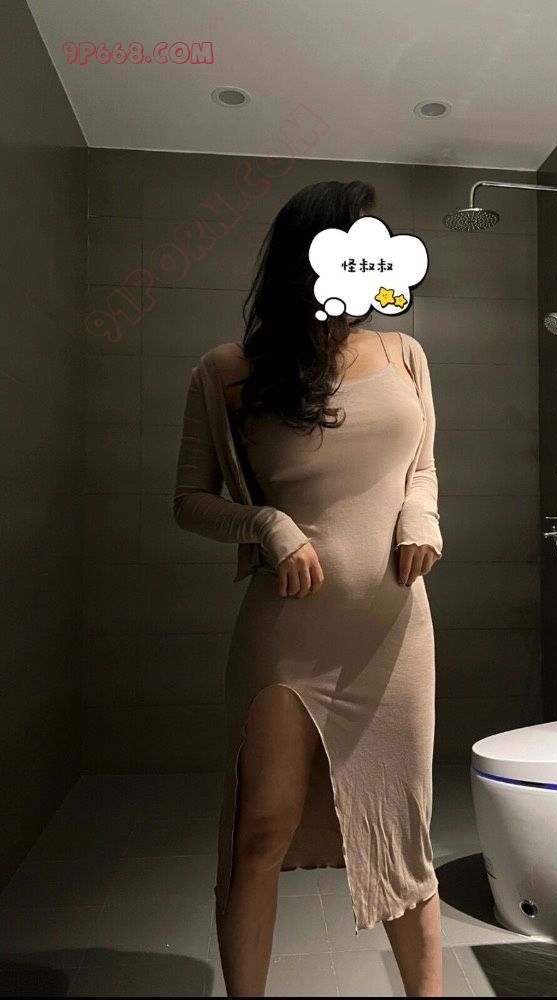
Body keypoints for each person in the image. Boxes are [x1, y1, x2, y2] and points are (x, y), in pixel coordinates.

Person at [173, 179, 444, 996]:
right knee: (261, 829)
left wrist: (421, 519)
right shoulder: (228, 372)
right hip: (287, 637)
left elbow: (422, 469)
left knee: (403, 832)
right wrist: (267, 525)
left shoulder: (403, 354)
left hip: (393, 633)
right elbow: (189, 500)